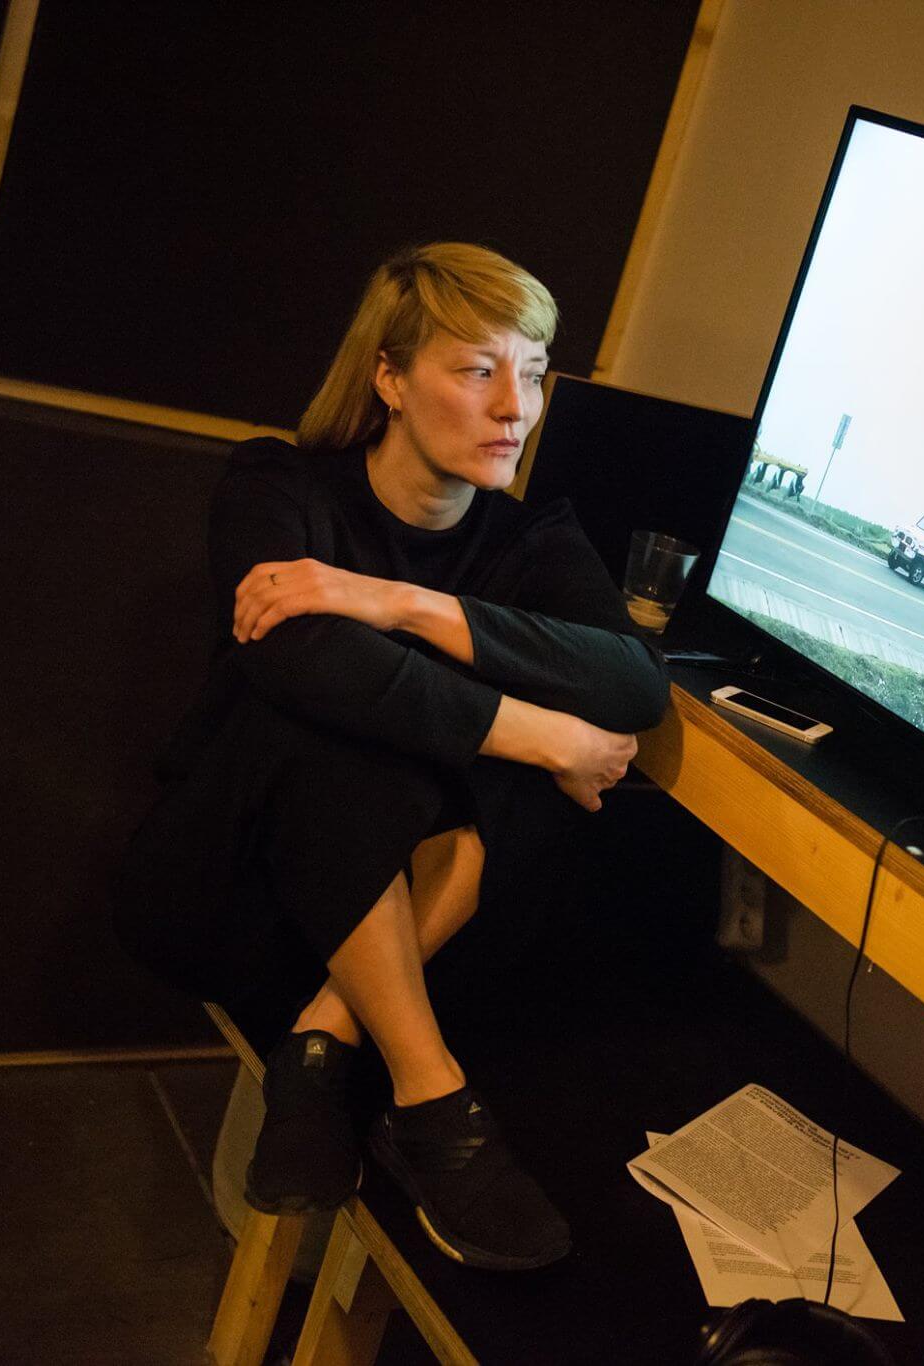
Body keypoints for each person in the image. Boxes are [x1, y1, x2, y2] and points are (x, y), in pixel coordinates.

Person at [112, 243, 669, 1271]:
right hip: (238, 888)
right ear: (390, 378)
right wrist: (544, 732)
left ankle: (323, 1044)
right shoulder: (278, 486)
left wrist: (399, 602)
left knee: (492, 763)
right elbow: (301, 660)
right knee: (332, 721)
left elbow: (636, 686)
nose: (515, 407)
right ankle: (431, 1097)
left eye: (533, 373)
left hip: (408, 917)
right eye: (478, 370)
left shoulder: (531, 540)